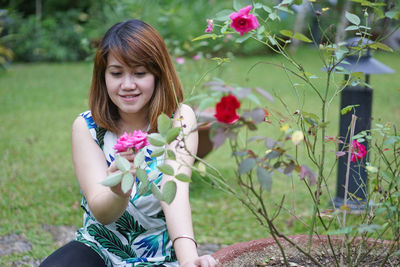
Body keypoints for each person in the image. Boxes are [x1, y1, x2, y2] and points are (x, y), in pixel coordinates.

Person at [40, 19, 217, 267]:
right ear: (103, 77)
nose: (127, 85)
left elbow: (174, 193)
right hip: (100, 248)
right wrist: (118, 192)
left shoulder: (178, 118)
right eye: (116, 73)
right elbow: (101, 212)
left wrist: (189, 259)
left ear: (158, 74)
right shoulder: (87, 127)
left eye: (140, 73)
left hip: (159, 256)